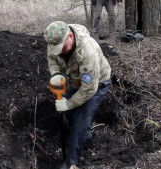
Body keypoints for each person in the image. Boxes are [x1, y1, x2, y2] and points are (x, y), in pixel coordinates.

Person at [44, 21, 112, 169]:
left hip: (96, 84)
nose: (59, 51)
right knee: (70, 114)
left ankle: (70, 163)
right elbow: (52, 58)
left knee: (79, 124)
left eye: (62, 47)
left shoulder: (88, 51)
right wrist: (55, 73)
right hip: (76, 82)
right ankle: (85, 136)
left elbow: (89, 88)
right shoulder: (55, 40)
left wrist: (68, 103)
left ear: (70, 36)